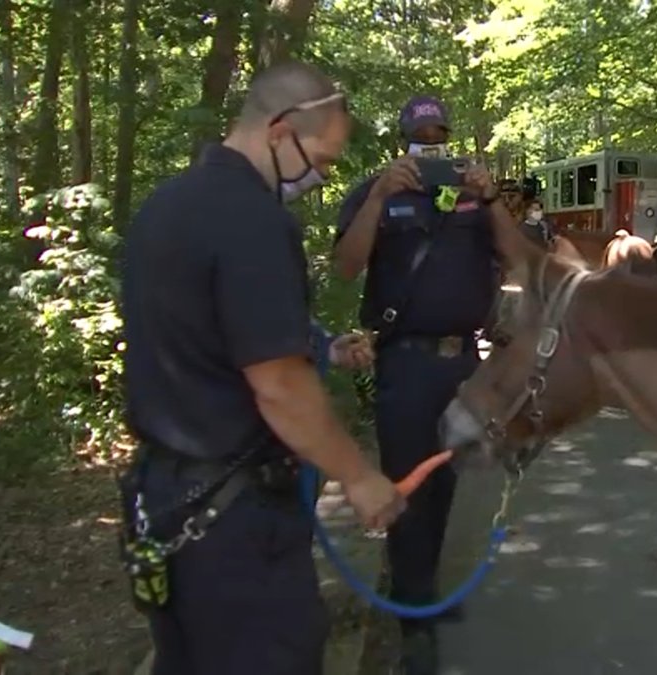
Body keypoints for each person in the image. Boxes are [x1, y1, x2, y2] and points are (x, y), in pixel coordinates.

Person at [118, 60, 405, 675]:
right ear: (281, 131)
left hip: (165, 502)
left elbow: (212, 341)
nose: (321, 177)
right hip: (236, 521)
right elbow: (278, 384)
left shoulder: (163, 207)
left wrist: (321, 350)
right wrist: (358, 476)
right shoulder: (255, 221)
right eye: (321, 160)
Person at [332, 95, 530, 675]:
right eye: (420, 137)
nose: (430, 144)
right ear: (404, 142)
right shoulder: (376, 192)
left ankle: (421, 588)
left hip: (462, 364)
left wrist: (489, 198)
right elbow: (345, 266)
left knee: (445, 482)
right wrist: (378, 197)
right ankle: (415, 620)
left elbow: (520, 261)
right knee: (407, 487)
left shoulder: (473, 195)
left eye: (438, 135)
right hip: (406, 364)